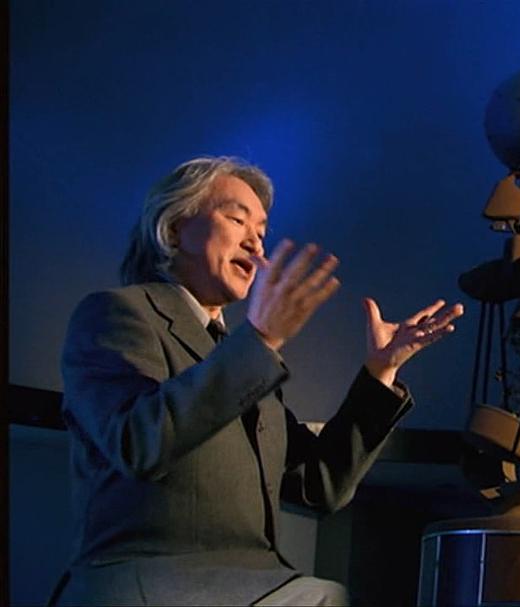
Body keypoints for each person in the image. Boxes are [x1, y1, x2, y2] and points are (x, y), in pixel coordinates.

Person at [50, 156, 464, 606]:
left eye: (262, 232)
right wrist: (261, 338)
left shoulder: (240, 356)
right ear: (173, 229)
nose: (255, 243)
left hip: (251, 584)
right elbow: (138, 443)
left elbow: (319, 484)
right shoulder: (118, 314)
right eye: (236, 220)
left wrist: (380, 371)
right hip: (147, 580)